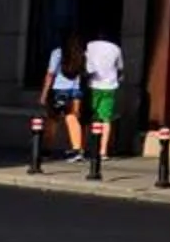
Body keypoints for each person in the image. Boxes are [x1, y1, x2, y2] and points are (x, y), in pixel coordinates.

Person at [81, 29, 123, 160]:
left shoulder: (90, 46)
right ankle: (103, 150)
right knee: (106, 119)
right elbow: (120, 67)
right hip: (109, 86)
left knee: (89, 117)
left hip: (93, 85)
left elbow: (86, 64)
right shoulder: (116, 48)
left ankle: (85, 146)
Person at [41, 34, 84, 155]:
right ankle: (77, 149)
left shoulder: (57, 53)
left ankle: (46, 147)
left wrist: (44, 93)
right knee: (73, 118)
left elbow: (50, 74)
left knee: (53, 119)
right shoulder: (81, 54)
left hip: (59, 89)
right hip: (76, 90)